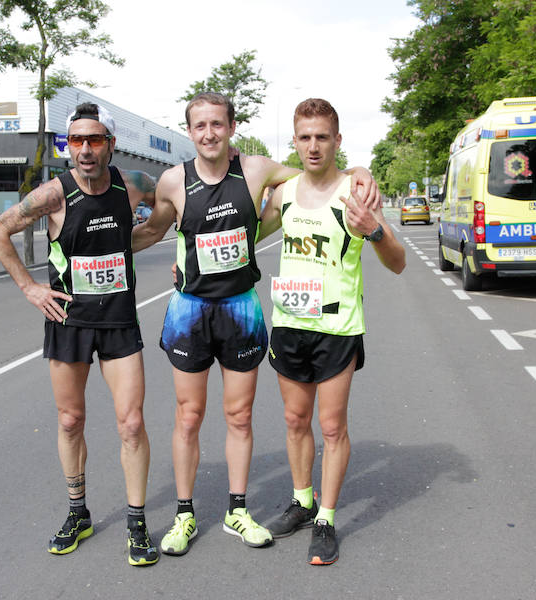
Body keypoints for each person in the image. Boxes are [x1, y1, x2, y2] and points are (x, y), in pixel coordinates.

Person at [132, 92, 380, 556]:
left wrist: (361, 172)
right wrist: (107, 247)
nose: (209, 133)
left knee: (240, 416)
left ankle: (238, 510)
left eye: (217, 125)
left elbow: (320, 174)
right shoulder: (172, 180)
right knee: (188, 416)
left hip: (242, 308)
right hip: (189, 309)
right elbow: (153, 230)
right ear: (189, 131)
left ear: (231, 128)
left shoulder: (260, 170)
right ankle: (184, 516)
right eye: (199, 126)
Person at [0, 103, 160, 567]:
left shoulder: (135, 185)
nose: (84, 149)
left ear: (110, 144)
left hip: (120, 319)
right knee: (69, 420)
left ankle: (137, 523)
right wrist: (29, 288)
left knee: (131, 423)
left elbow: (173, 206)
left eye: (95, 140)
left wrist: (137, 238)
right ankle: (78, 512)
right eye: (76, 141)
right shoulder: (54, 194)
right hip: (70, 321)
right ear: (68, 146)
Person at [258, 98, 405, 565]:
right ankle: (302, 501)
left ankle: (326, 516)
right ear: (295, 141)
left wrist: (375, 232)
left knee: (331, 426)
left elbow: (398, 262)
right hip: (289, 324)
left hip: (337, 329)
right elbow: (246, 236)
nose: (314, 145)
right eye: (305, 137)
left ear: (338, 140)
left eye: (323, 136)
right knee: (295, 421)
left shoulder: (355, 193)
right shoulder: (284, 193)